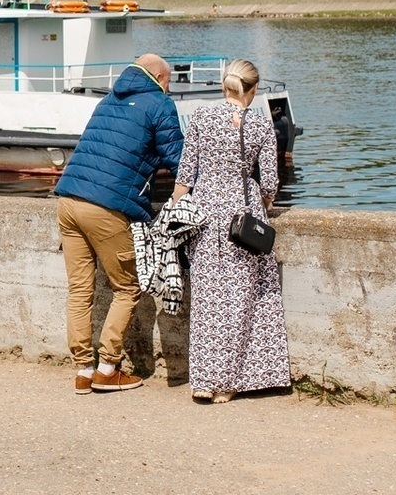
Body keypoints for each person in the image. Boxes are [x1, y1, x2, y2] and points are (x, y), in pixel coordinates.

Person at [54, 53, 184, 394]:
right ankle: (108, 368)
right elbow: (179, 159)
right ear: (158, 76)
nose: (169, 88)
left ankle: (83, 371)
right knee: (127, 287)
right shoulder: (159, 104)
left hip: (68, 200)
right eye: (168, 82)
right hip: (106, 206)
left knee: (80, 291)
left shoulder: (108, 100)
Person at [169, 59, 289, 404]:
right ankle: (229, 382)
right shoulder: (262, 125)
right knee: (240, 300)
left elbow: (185, 173)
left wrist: (177, 210)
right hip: (243, 215)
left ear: (225, 86)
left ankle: (204, 382)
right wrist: (264, 203)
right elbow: (269, 181)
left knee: (208, 299)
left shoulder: (202, 118)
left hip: (205, 213)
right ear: (252, 89)